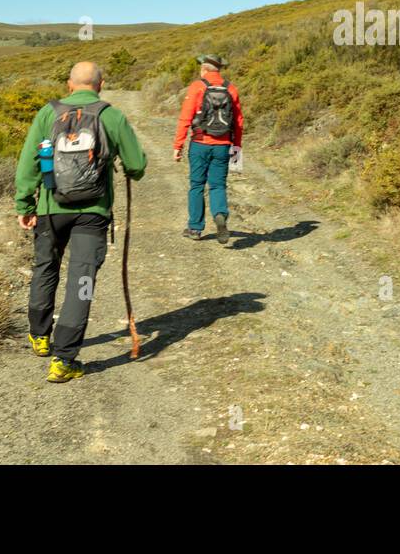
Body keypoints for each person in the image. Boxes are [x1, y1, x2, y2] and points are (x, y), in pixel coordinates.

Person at [14, 61, 146, 383]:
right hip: (93, 211)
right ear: (100, 85)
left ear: (69, 85)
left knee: (46, 267)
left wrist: (24, 202)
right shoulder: (110, 115)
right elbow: (137, 164)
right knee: (81, 281)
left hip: (49, 207)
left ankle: (40, 336)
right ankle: (64, 359)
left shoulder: (48, 113)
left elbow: (29, 159)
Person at [174, 53, 243, 244]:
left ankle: (195, 228)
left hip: (199, 143)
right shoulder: (231, 89)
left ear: (204, 68)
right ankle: (220, 214)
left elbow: (185, 118)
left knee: (196, 185)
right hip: (223, 145)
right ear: (219, 69)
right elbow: (238, 121)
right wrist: (237, 146)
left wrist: (177, 145)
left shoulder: (197, 87)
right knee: (218, 185)